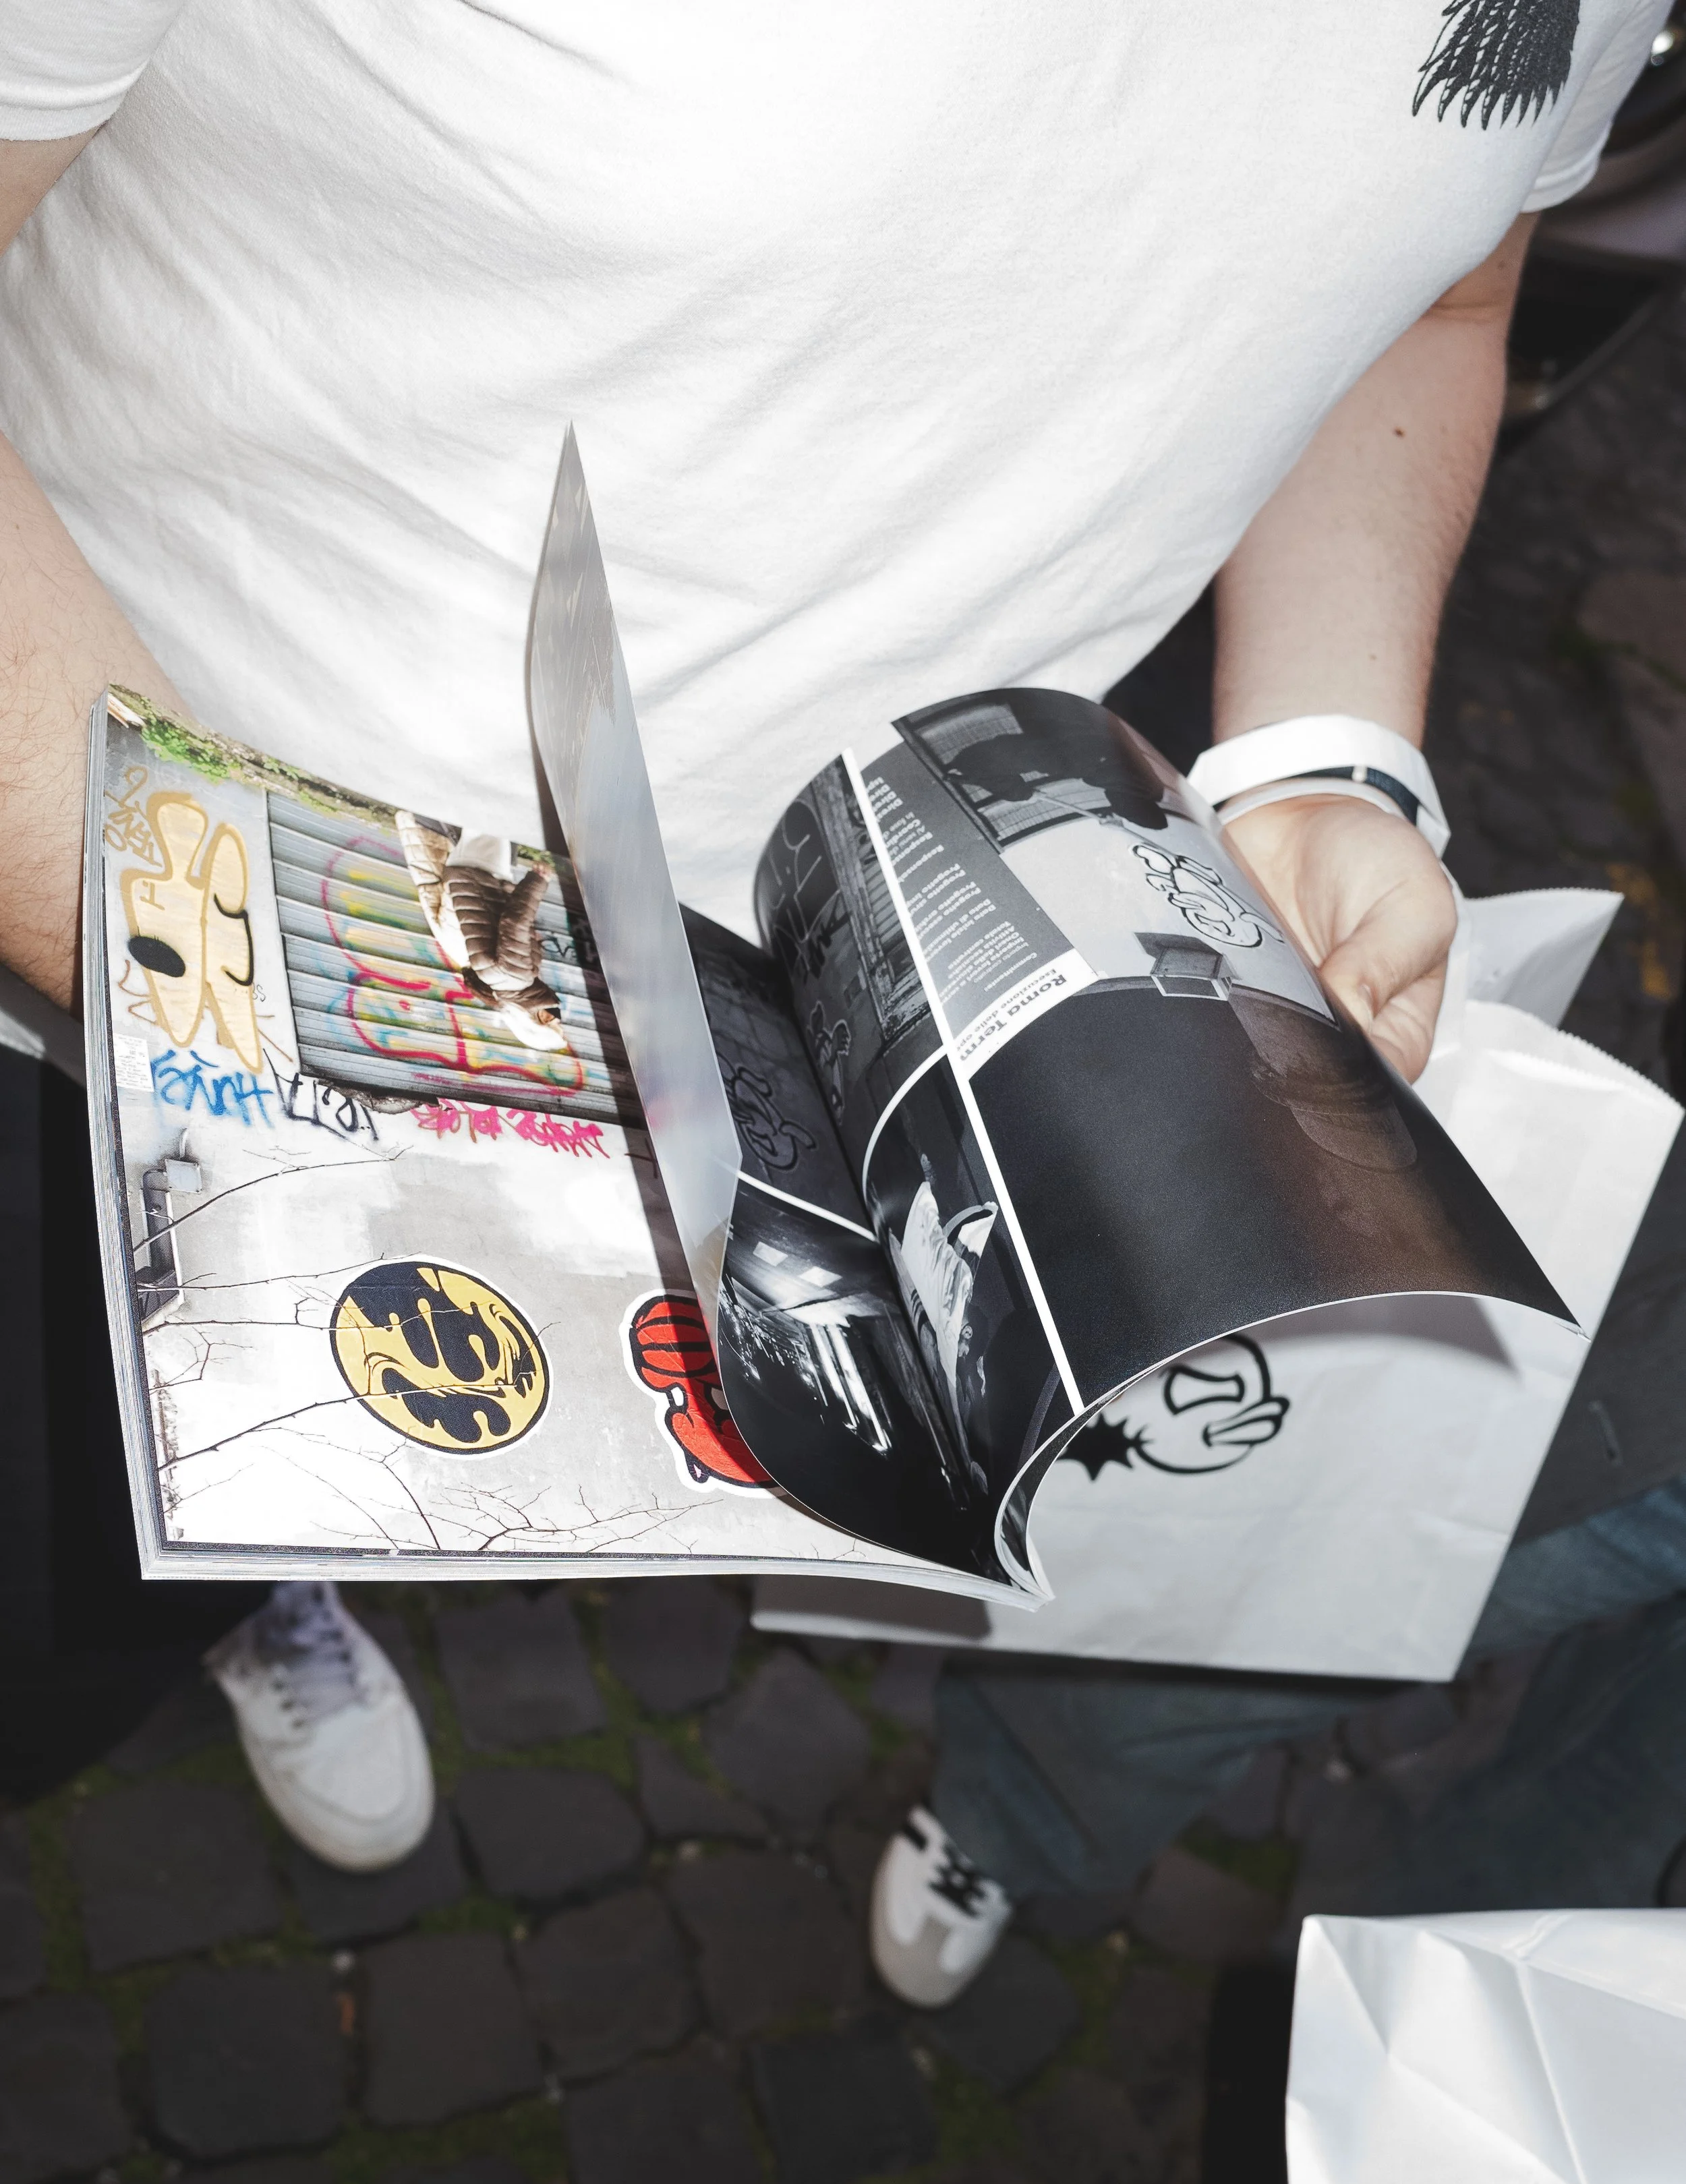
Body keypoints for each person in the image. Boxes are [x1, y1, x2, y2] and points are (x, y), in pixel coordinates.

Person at [0, 19, 1668, 1910]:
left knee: (235, 1523)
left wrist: (1320, 745)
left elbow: (1441, 291)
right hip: (109, 1007)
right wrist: (290, 1028)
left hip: (756, 1096)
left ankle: (251, 1563)